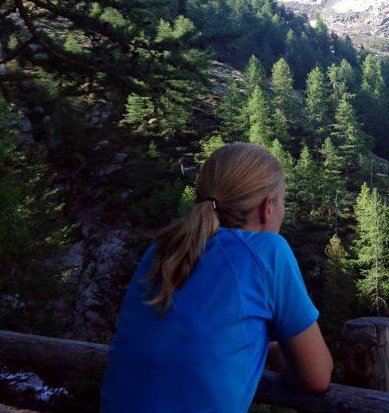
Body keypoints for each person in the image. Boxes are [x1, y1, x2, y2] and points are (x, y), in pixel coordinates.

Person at [100, 142, 333, 412]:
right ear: (267, 207)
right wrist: (276, 353)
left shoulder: (162, 249)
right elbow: (317, 377)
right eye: (282, 201)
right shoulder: (267, 251)